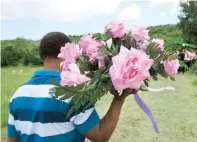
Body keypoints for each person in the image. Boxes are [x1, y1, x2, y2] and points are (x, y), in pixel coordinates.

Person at [7, 32, 136, 142]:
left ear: (42, 55)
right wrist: (119, 100)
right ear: (69, 51)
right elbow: (100, 135)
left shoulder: (18, 95)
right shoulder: (71, 90)